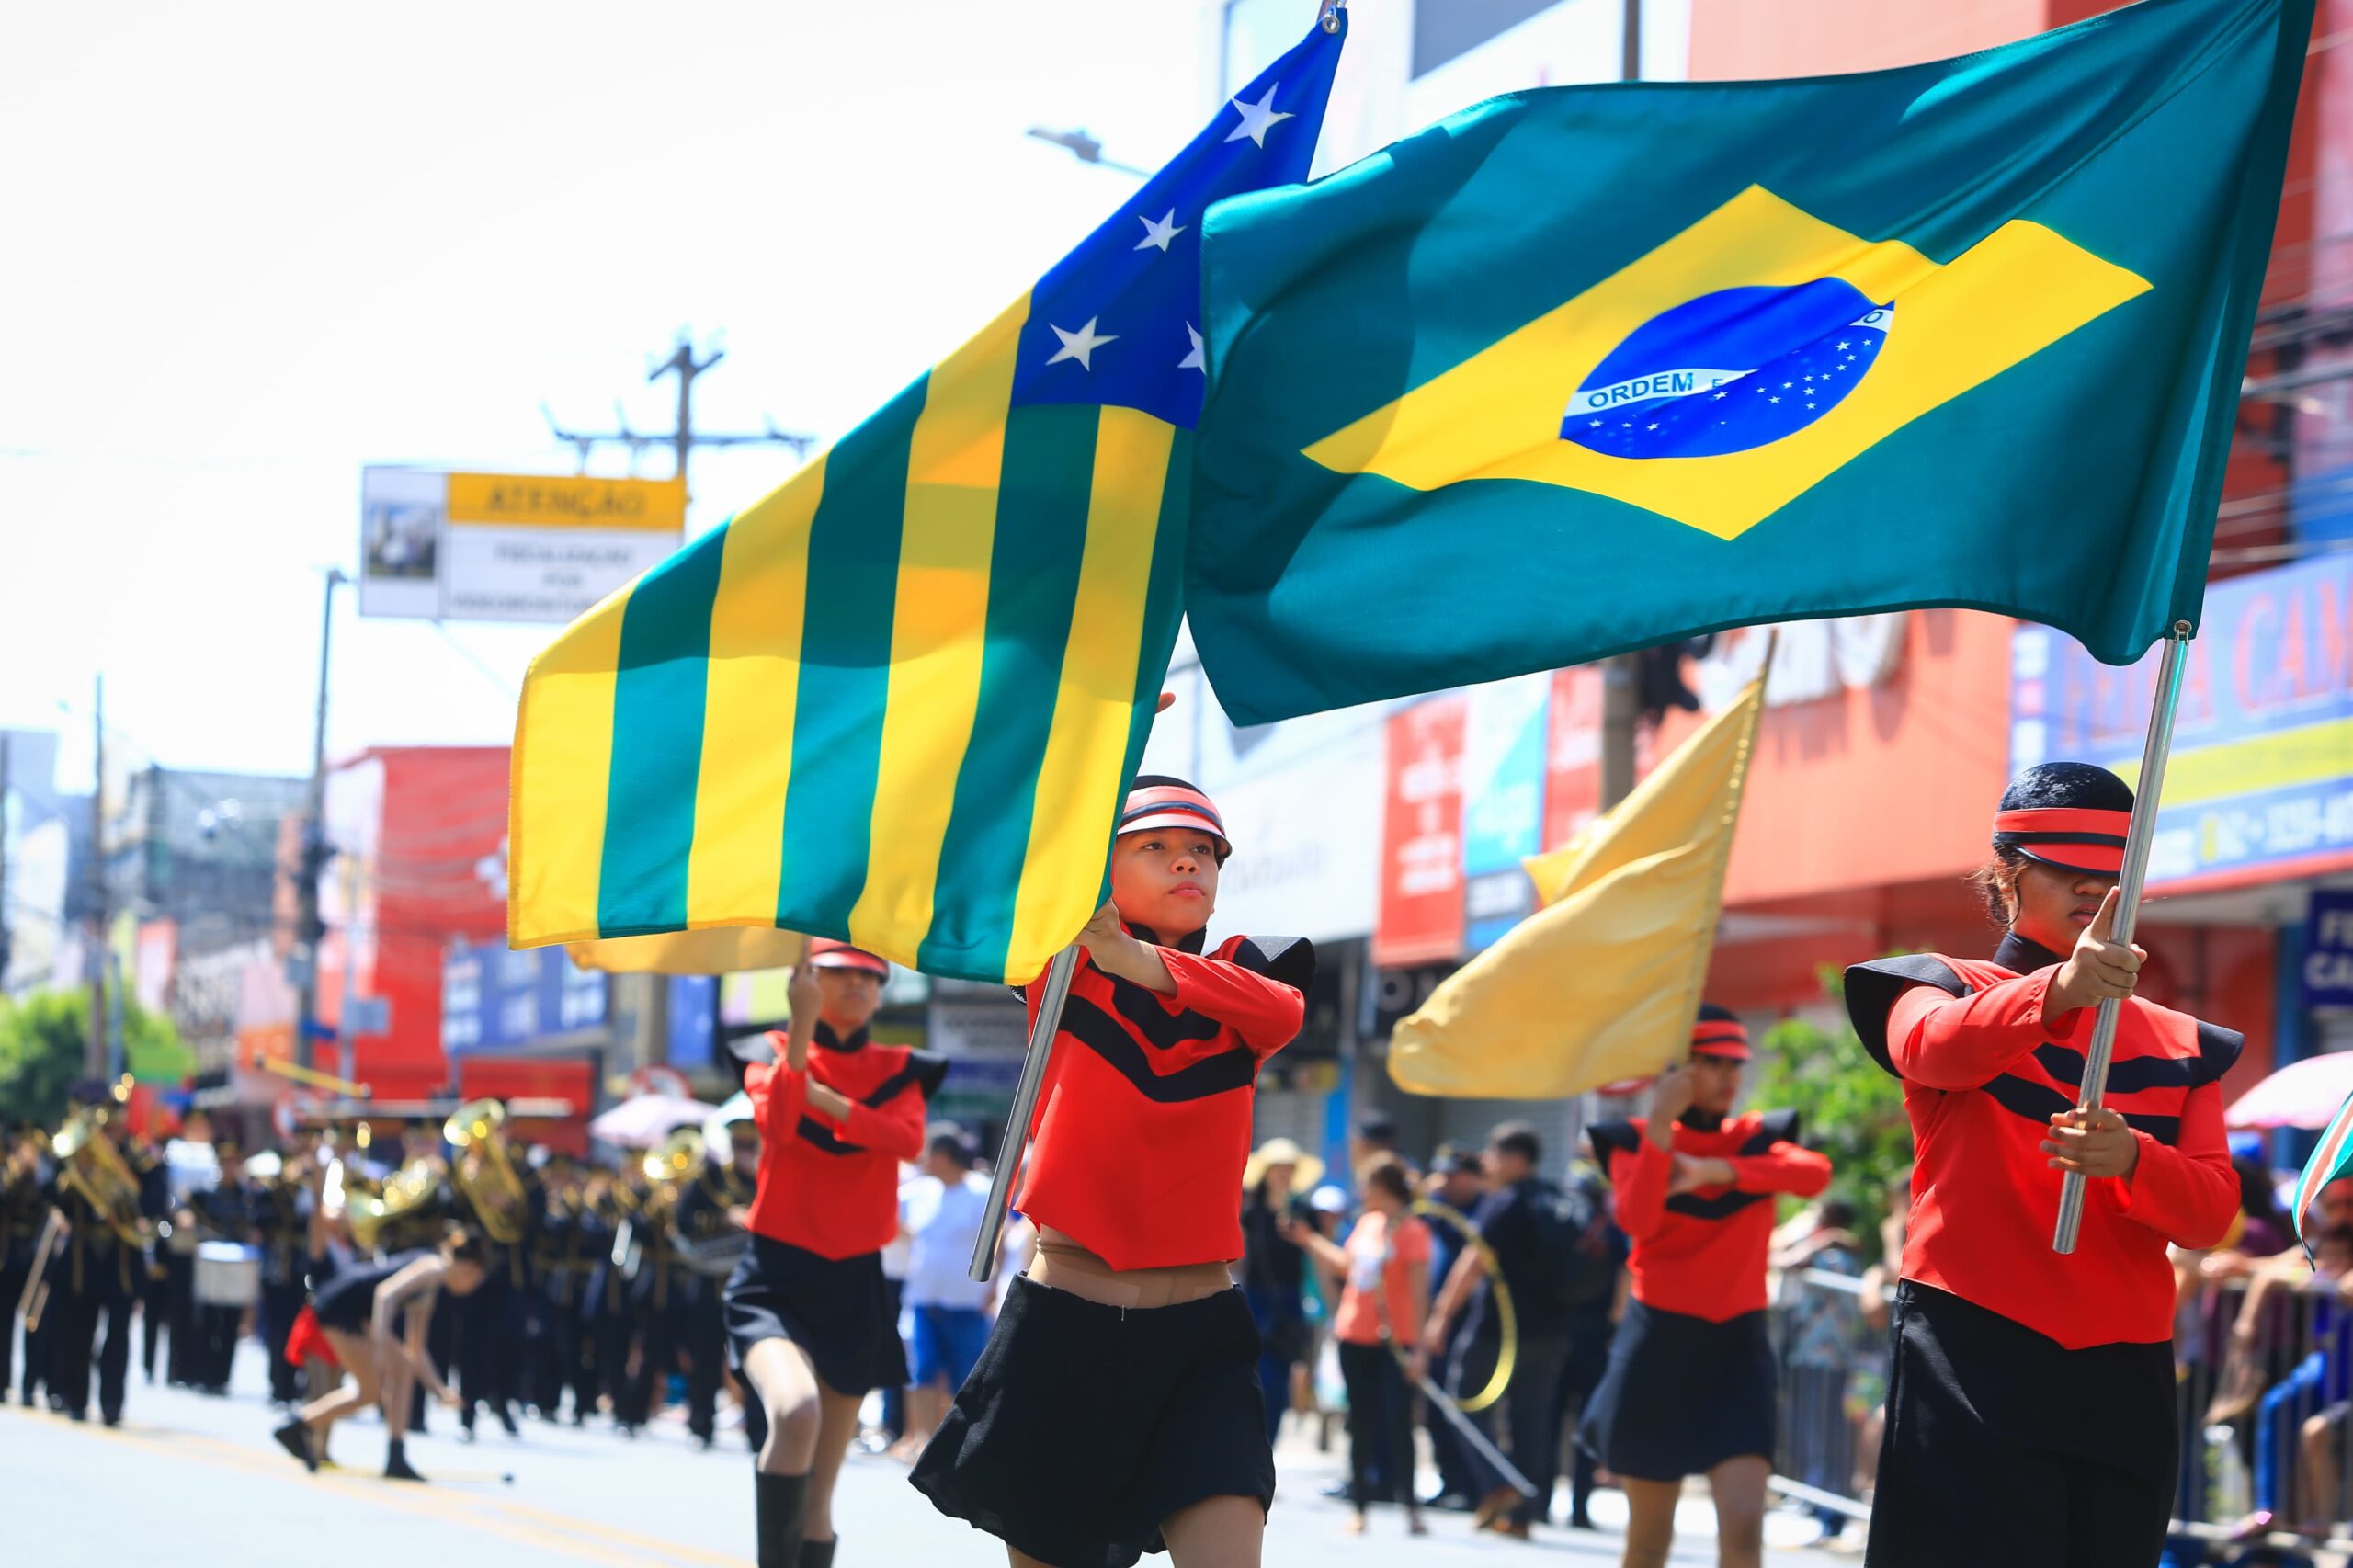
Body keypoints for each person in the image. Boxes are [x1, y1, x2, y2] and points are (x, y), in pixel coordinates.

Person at [1844, 761, 2241, 1568]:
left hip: (2122, 1367)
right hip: (1973, 1344)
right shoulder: (1936, 987)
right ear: (2007, 874)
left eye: (2113, 875)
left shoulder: (2185, 1044)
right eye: (2069, 871)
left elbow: (2209, 1213)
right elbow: (1932, 1050)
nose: (2095, 891)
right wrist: (2056, 993)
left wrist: (2133, 1158)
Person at [912, 775, 1313, 1568]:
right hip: (1070, 1326)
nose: (1186, 863)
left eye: (1202, 851)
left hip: (1202, 1333)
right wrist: (1093, 733)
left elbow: (1282, 1011)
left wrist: (1129, 956)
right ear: (1106, 867)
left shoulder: (1248, 979)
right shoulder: (1060, 963)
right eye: (1156, 848)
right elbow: (989, 853)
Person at [1580, 1006, 1832, 1568]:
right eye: (1711, 1063)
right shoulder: (1633, 1142)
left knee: (1743, 1536)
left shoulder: (1756, 1138)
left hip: (1736, 1352)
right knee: (1648, 1545)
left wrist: (1721, 1172)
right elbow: (1638, 1221)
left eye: (1734, 1065)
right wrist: (1662, 1129)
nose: (1727, 1077)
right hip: (1658, 1348)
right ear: (1677, 1070)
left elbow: (1814, 1173)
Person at [725, 937, 946, 1568]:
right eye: (838, 974)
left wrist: (829, 1099)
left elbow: (905, 1139)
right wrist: (798, 1028)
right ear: (806, 980)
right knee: (795, 1413)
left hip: (854, 1281)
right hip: (776, 1274)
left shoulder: (903, 1067)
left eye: (869, 978)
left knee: (821, 1501)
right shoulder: (766, 1051)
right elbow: (781, 1124)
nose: (856, 986)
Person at [1422, 1122, 1589, 1540]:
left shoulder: (1505, 1202)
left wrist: (1440, 1316)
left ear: (1515, 1159)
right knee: (1531, 1422)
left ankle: (1500, 1485)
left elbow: (1472, 1262)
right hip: (1552, 1331)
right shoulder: (1558, 1201)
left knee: (1462, 1404)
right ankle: (1520, 1516)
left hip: (1496, 1331)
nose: (1487, 1164)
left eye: (1493, 1156)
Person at [1283, 1155, 1431, 1539]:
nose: (1362, 1193)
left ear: (1383, 1187)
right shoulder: (1367, 1224)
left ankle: (1410, 1506)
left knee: (1399, 1423)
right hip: (1355, 1335)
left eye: (1367, 1185)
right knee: (1360, 1421)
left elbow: (1418, 1295)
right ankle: (1360, 1506)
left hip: (1396, 1341)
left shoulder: (1413, 1231)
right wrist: (1310, 1240)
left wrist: (1420, 1349)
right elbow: (1346, 1268)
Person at [273, 1228, 488, 1481]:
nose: (470, 1288)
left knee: (393, 1374)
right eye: (475, 1281)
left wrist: (438, 1390)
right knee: (371, 1391)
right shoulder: (433, 1267)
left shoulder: (431, 1287)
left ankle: (304, 1427)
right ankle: (303, 1426)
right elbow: (385, 1294)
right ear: (470, 1268)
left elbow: (415, 1347)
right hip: (340, 1308)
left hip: (357, 1314)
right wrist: (379, 1344)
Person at [892, 1126, 993, 1460]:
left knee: (962, 1376)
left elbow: (999, 1242)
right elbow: (898, 1224)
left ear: (942, 1155)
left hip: (966, 1302)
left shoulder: (981, 1192)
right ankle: (923, 1439)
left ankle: (951, 1445)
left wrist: (990, 1290)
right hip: (923, 1298)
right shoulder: (918, 1192)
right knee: (923, 1370)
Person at [675, 1108, 757, 1450]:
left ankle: (758, 1431)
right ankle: (702, 1423)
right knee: (705, 1356)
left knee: (754, 1360)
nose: (744, 1150)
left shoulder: (768, 1177)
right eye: (739, 1144)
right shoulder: (709, 1178)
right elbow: (683, 1221)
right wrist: (723, 1218)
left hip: (751, 1282)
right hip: (710, 1280)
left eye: (750, 1144)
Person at [1415, 1148, 1488, 1513]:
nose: (1445, 1182)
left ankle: (1472, 1486)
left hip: (1471, 1323)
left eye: (1453, 1175)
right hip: (1436, 1323)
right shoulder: (1439, 1209)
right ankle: (1450, 1482)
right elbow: (1414, 1207)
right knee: (1435, 1406)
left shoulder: (1484, 1211)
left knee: (1462, 1404)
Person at [1239, 1136, 1320, 1447]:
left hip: (1290, 1302)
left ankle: (1267, 1445)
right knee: (1254, 1376)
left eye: (1289, 1168)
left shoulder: (1303, 1214)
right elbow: (1240, 1263)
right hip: (1256, 1301)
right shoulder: (1252, 1214)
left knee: (1280, 1380)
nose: (1283, 1174)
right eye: (1278, 1168)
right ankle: (1250, 1443)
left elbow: (1314, 1260)